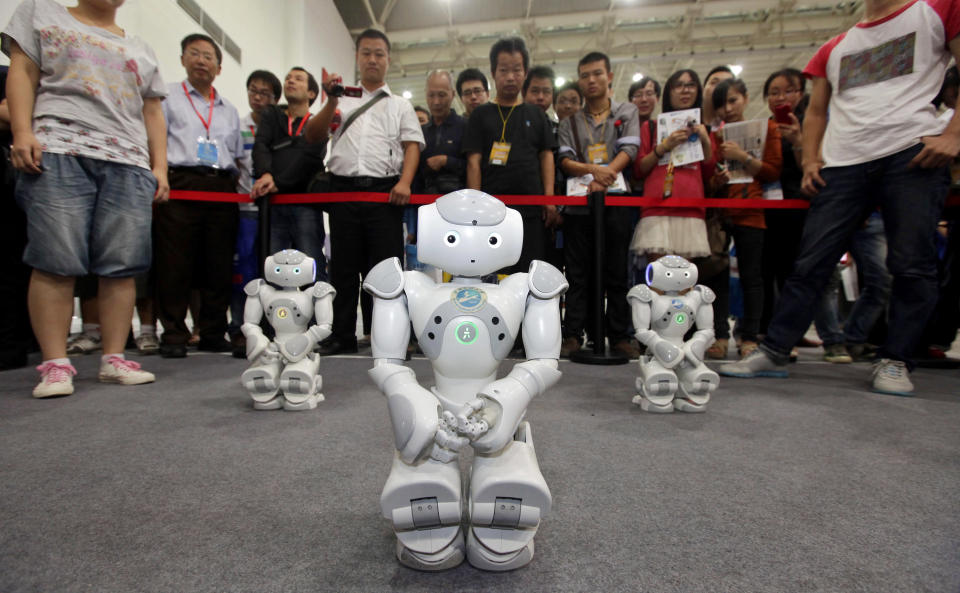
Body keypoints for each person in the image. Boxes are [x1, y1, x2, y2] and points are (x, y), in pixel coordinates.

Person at [720, 0, 960, 396]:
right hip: (844, 163)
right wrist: (813, 158)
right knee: (810, 262)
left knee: (911, 263)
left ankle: (896, 358)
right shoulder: (834, 47)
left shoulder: (936, 10)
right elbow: (816, 112)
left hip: (910, 152)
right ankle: (775, 349)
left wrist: (953, 133)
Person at [4, 0, 166, 396]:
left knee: (122, 264)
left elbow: (152, 111)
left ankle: (113, 357)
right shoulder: (42, 14)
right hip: (59, 148)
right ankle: (56, 364)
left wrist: (159, 167)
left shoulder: (141, 47)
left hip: (127, 159)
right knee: (55, 259)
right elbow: (22, 71)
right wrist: (23, 131)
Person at [304, 28, 424, 356]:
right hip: (343, 192)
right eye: (366, 53)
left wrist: (404, 183)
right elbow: (313, 135)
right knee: (343, 269)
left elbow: (412, 146)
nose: (372, 59)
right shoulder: (339, 100)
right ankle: (342, 334)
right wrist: (329, 99)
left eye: (379, 54)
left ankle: (384, 337)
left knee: (385, 270)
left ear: (388, 60)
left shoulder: (400, 105)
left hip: (384, 194)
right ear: (357, 57)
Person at [155, 33, 244, 359]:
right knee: (175, 263)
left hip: (221, 188)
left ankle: (211, 331)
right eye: (195, 53)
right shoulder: (166, 98)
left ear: (219, 68)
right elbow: (158, 143)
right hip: (181, 183)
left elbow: (235, 156)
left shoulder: (229, 110)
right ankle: (175, 333)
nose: (201, 61)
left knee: (218, 265)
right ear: (183, 59)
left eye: (208, 56)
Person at [557, 51, 640, 359]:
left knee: (616, 271)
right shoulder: (570, 122)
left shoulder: (627, 111)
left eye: (596, 73)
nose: (591, 80)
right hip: (579, 204)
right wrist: (596, 172)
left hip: (616, 202)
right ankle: (574, 334)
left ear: (609, 76)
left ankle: (619, 335)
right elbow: (565, 160)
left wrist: (606, 174)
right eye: (584, 75)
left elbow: (630, 148)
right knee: (578, 273)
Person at [462, 37, 559, 274]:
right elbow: (473, 162)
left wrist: (549, 198)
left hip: (532, 210)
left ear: (525, 73)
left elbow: (546, 156)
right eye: (504, 70)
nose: (510, 76)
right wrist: (475, 203)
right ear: (493, 73)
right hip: (491, 210)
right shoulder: (480, 115)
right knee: (493, 273)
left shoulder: (536, 114)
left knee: (530, 273)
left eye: (517, 70)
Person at [709, 78, 782, 360]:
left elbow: (773, 171)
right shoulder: (714, 136)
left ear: (746, 99)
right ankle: (719, 335)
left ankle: (749, 336)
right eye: (721, 104)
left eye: (732, 101)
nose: (727, 109)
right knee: (716, 277)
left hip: (752, 211)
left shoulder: (768, 129)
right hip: (720, 214)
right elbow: (709, 179)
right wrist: (716, 180)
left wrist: (742, 156)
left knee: (753, 277)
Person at [630, 69, 714, 260]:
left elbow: (709, 173)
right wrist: (664, 146)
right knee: (658, 279)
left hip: (691, 208)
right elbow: (639, 169)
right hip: (657, 207)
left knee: (685, 280)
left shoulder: (704, 129)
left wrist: (706, 141)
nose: (685, 91)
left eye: (691, 85)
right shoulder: (650, 127)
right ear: (669, 92)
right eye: (679, 85)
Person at [251, 67, 328, 268]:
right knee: (274, 266)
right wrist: (266, 174)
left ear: (311, 93)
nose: (290, 81)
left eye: (298, 79)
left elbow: (310, 160)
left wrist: (278, 183)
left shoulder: (317, 123)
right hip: (273, 202)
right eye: (288, 78)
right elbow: (261, 146)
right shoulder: (271, 115)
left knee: (310, 264)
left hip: (305, 203)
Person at [229, 69, 280, 357]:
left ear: (275, 99)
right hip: (246, 208)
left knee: (273, 270)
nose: (258, 98)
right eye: (253, 91)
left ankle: (274, 326)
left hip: (275, 210)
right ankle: (240, 327)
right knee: (244, 271)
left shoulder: (279, 125)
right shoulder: (239, 125)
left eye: (265, 93)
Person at [418, 70, 466, 194]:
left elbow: (476, 167)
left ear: (453, 94)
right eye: (431, 95)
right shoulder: (421, 132)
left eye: (442, 95)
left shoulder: (466, 126)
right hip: (426, 202)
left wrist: (447, 161)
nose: (436, 102)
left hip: (459, 200)